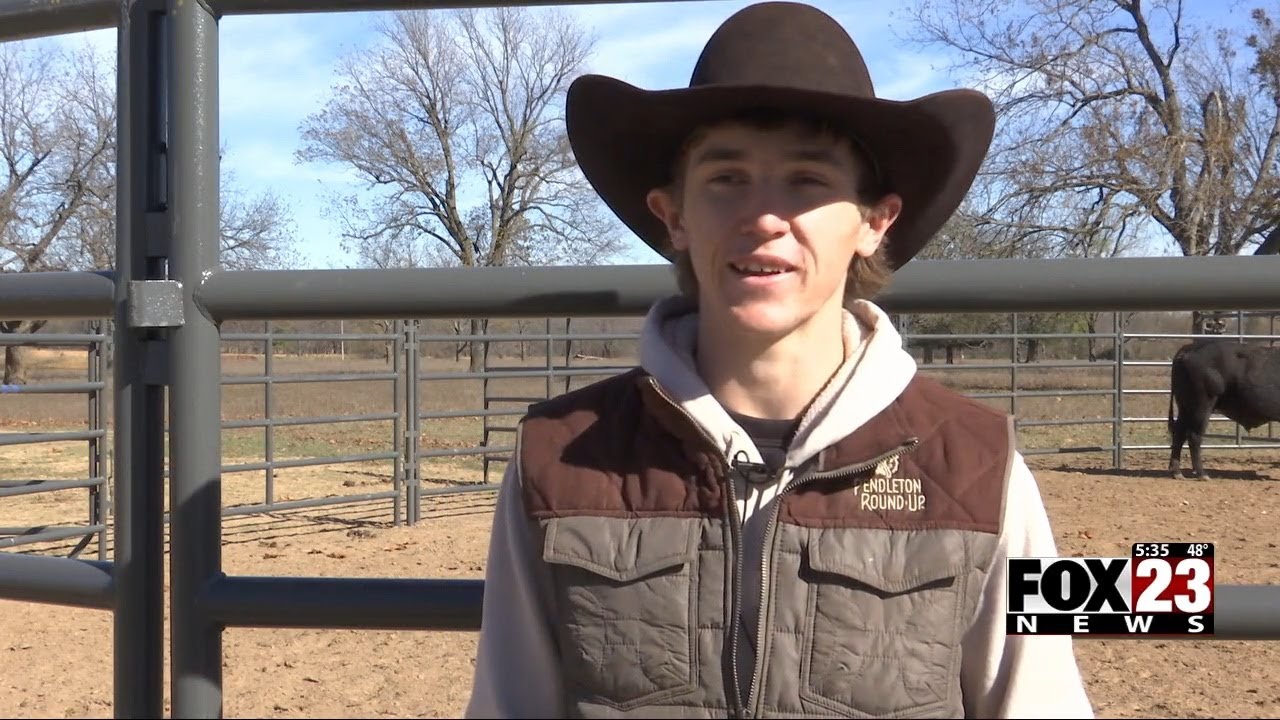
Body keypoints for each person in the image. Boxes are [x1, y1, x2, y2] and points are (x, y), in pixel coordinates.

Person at [465, 2, 1094, 718]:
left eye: (807, 180)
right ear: (673, 215)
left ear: (873, 220)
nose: (763, 217)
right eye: (727, 178)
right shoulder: (555, 458)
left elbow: (1038, 701)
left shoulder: (981, 467)